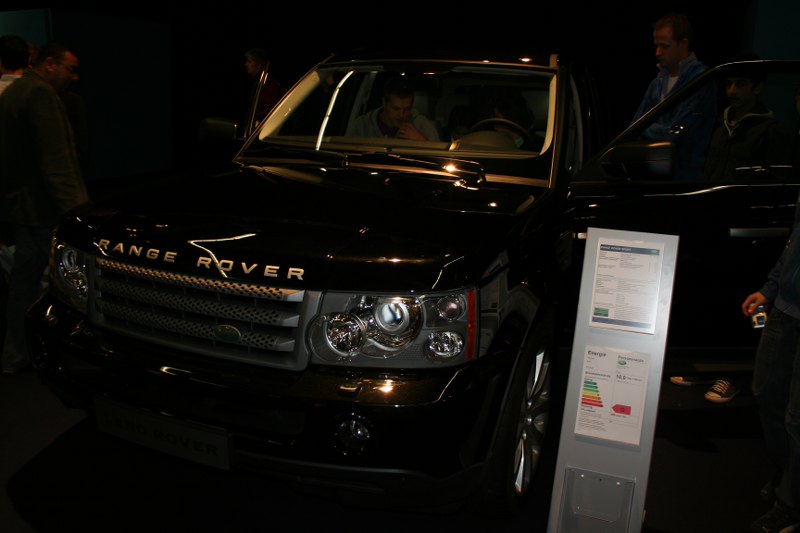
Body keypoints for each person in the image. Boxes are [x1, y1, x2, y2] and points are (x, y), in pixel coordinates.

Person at [0, 41, 89, 375]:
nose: (74, 77)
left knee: (22, 286)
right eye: (70, 69)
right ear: (49, 64)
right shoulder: (40, 94)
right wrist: (79, 215)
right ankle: (67, 357)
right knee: (72, 288)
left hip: (22, 210)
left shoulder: (14, 93)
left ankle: (15, 353)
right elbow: (57, 162)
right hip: (45, 211)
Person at [740, 184, 800, 531]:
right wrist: (770, 288)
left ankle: (790, 504)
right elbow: (796, 239)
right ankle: (787, 474)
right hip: (786, 307)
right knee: (767, 393)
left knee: (797, 417)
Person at [631, 12, 716, 180]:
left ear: (683, 44)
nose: (657, 52)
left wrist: (646, 129)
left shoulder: (700, 81)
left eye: (664, 46)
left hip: (683, 178)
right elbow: (634, 129)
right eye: (656, 45)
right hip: (654, 174)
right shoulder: (657, 83)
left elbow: (676, 135)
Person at [702, 57, 792, 182]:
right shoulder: (721, 129)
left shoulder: (770, 131)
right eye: (728, 84)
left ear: (758, 88)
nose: (731, 90)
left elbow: (777, 180)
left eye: (740, 84)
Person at [346, 76, 440, 141]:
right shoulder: (362, 126)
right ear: (384, 103)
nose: (401, 115)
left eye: (407, 109)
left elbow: (439, 157)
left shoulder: (421, 125)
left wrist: (420, 139)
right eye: (396, 109)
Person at [244, 47, 283, 123]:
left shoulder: (267, 83)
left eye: (249, 62)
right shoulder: (256, 81)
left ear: (258, 65)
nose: (246, 64)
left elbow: (269, 109)